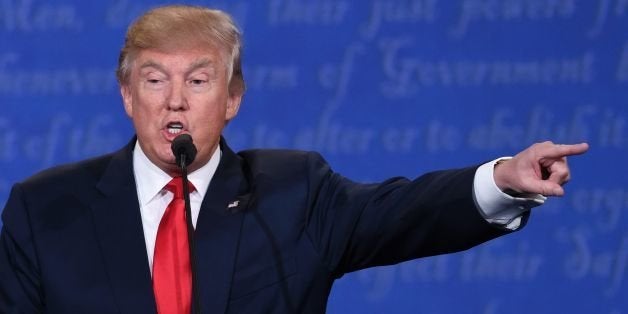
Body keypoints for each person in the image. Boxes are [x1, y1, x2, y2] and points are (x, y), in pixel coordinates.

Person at [0, 5, 588, 314]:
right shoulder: (46, 208)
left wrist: (503, 181)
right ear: (127, 95)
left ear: (234, 99)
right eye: (154, 80)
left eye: (198, 80)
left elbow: (401, 212)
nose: (174, 100)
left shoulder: (291, 193)